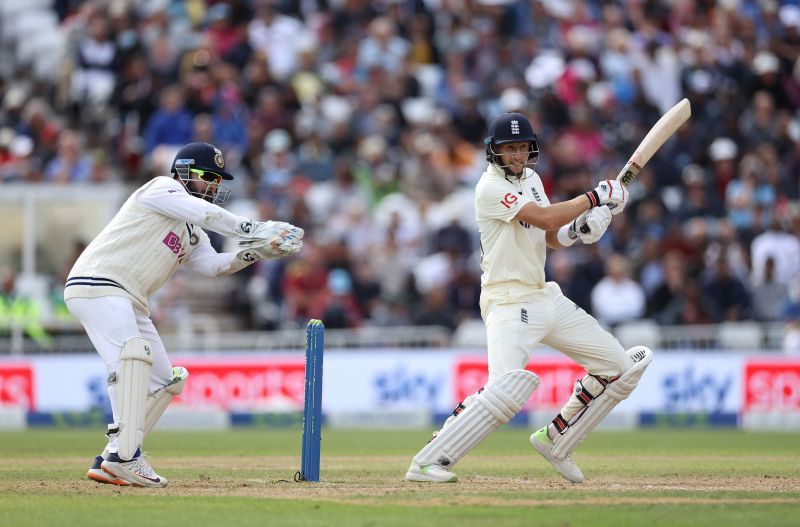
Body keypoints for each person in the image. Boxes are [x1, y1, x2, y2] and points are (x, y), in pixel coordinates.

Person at [404, 113, 652, 484]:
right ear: (495, 152)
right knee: (505, 392)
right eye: (510, 149)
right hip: (507, 299)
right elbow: (544, 217)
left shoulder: (532, 179)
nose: (518, 155)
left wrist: (579, 231)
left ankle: (557, 439)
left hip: (543, 294)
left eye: (522, 147)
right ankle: (427, 461)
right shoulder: (488, 187)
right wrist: (594, 198)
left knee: (620, 368)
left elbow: (549, 234)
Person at [64, 142, 303, 488]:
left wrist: (257, 252)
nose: (214, 186)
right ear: (185, 171)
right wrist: (255, 228)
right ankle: (127, 458)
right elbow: (207, 214)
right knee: (132, 356)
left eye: (218, 181)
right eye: (208, 177)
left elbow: (215, 266)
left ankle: (114, 455)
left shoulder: (192, 232)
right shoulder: (162, 188)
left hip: (130, 299)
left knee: (167, 380)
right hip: (99, 283)